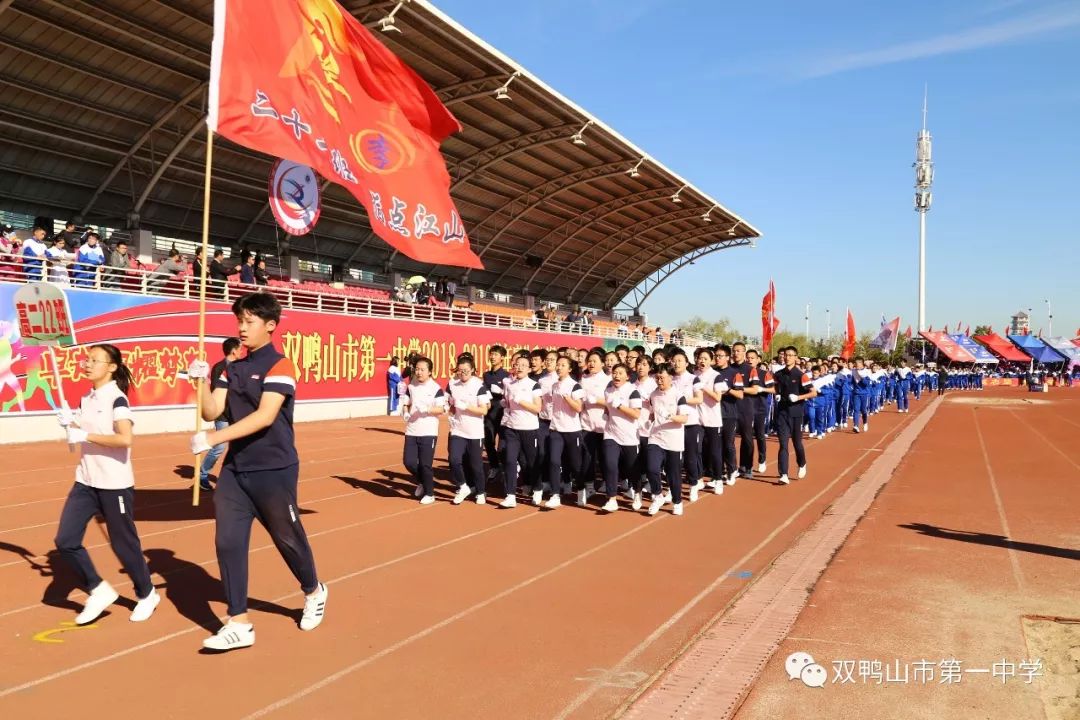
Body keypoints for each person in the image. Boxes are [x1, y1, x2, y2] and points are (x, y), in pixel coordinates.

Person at [188, 292, 326, 651]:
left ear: (270, 326)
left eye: (248, 321)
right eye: (239, 321)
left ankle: (313, 590)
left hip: (274, 468)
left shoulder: (281, 366)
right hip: (236, 470)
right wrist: (200, 382)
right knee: (227, 541)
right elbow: (211, 409)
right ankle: (239, 622)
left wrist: (214, 438)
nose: (241, 327)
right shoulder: (230, 369)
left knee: (287, 537)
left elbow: (265, 417)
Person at [54, 344, 160, 625]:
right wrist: (69, 422)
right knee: (65, 541)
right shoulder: (86, 397)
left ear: (112, 367)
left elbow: (125, 439)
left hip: (114, 483)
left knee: (124, 544)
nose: (87, 364)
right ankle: (98, 589)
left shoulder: (117, 399)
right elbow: (77, 435)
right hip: (85, 480)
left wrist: (84, 434)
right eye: (86, 360)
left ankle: (147, 593)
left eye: (94, 360)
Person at [398, 356, 447, 504]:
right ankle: (422, 482)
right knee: (409, 462)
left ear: (430, 372)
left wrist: (428, 409)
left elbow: (442, 409)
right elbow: (406, 403)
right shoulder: (411, 386)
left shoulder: (436, 388)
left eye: (422, 370)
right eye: (417, 369)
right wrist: (405, 412)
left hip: (428, 431)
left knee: (425, 464)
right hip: (412, 430)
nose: (418, 372)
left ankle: (430, 493)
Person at [498, 355, 543, 508]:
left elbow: (537, 408)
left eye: (523, 365)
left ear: (529, 369)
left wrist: (521, 402)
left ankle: (537, 489)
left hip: (529, 429)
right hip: (511, 428)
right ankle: (510, 496)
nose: (519, 367)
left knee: (531, 462)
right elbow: (507, 402)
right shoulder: (509, 384)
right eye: (517, 364)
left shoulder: (534, 385)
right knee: (510, 461)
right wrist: (505, 403)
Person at [198, 338, 242, 492]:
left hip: (236, 414)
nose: (242, 351)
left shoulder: (239, 367)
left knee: (239, 447)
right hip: (223, 414)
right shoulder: (219, 368)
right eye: (240, 348)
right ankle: (202, 475)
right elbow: (217, 394)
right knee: (219, 446)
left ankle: (234, 478)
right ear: (234, 350)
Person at [646, 364, 690, 516]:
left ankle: (677, 501)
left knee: (673, 475)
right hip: (656, 437)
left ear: (671, 377)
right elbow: (652, 414)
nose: (659, 381)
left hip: (674, 440)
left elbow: (684, 418)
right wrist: (647, 421)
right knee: (651, 468)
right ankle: (657, 496)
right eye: (657, 378)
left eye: (662, 378)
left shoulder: (679, 395)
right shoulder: (653, 395)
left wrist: (670, 416)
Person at [447, 356, 491, 505]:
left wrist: (466, 406)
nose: (463, 373)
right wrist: (451, 410)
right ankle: (463, 486)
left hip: (475, 432)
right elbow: (451, 405)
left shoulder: (478, 385)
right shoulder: (454, 385)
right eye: (460, 370)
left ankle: (480, 491)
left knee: (476, 465)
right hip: (458, 430)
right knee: (454, 460)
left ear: (472, 370)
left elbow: (484, 410)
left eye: (466, 370)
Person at [600, 363, 643, 513]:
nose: (616, 375)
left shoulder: (633, 391)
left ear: (627, 376)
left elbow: (636, 414)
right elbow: (607, 404)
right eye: (615, 373)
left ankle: (637, 492)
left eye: (620, 373)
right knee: (610, 464)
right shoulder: (608, 389)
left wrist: (620, 406)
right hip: (611, 433)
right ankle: (611, 498)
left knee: (632, 469)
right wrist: (606, 413)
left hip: (629, 436)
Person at [545, 355, 585, 509]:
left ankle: (581, 490)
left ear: (569, 369)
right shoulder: (554, 385)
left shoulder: (575, 386)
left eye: (563, 365)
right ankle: (555, 495)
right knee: (554, 461)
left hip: (572, 430)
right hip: (556, 429)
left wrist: (567, 398)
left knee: (575, 465)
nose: (559, 367)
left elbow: (579, 408)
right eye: (558, 364)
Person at [773, 346, 816, 485]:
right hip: (782, 413)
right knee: (783, 444)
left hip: (796, 413)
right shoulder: (778, 374)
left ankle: (802, 463)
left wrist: (798, 397)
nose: (787, 357)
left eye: (791, 355)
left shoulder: (800, 375)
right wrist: (777, 395)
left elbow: (813, 392)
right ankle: (783, 474)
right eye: (786, 355)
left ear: (796, 357)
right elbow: (776, 389)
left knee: (797, 443)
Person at [482, 346, 510, 481]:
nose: (492, 357)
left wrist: (500, 391)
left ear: (502, 358)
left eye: (496, 354)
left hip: (502, 414)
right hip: (489, 414)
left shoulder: (507, 376)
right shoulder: (486, 375)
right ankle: (494, 467)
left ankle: (506, 469)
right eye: (491, 354)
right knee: (488, 442)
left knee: (502, 446)